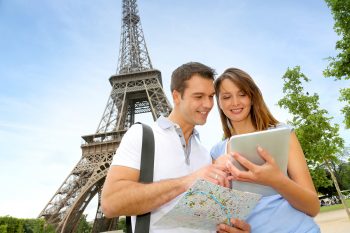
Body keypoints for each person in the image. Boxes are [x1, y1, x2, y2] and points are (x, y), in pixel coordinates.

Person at [101, 62, 251, 233]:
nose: (208, 104)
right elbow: (110, 203)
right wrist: (188, 181)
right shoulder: (142, 136)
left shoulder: (205, 154)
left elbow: (206, 221)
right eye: (198, 96)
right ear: (176, 96)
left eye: (211, 96)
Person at [211, 68, 321, 232]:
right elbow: (223, 214)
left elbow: (313, 207)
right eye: (226, 97)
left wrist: (276, 180)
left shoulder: (283, 134)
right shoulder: (216, 153)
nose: (235, 102)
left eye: (242, 94)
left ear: (252, 97)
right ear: (219, 102)